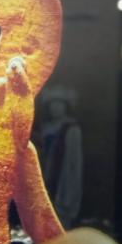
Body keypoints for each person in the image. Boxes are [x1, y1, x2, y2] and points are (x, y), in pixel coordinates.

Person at [40, 85, 83, 229]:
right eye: (52, 105)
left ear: (65, 107)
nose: (56, 108)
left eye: (59, 105)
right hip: (45, 168)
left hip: (63, 170)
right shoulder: (46, 127)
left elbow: (73, 159)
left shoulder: (71, 128)